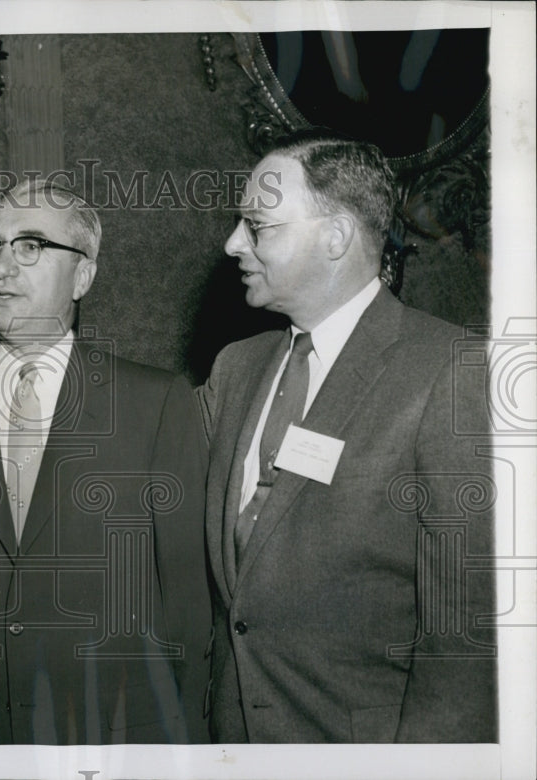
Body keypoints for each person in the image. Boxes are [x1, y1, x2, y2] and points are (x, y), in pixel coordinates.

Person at [0, 179, 209, 745]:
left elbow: (188, 613)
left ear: (83, 274)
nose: (1, 267)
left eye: (30, 246)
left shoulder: (155, 406)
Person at [199, 129, 496, 742]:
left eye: (257, 225)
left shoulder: (449, 370)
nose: (232, 244)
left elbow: (465, 629)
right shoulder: (235, 367)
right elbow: (146, 455)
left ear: (335, 237)